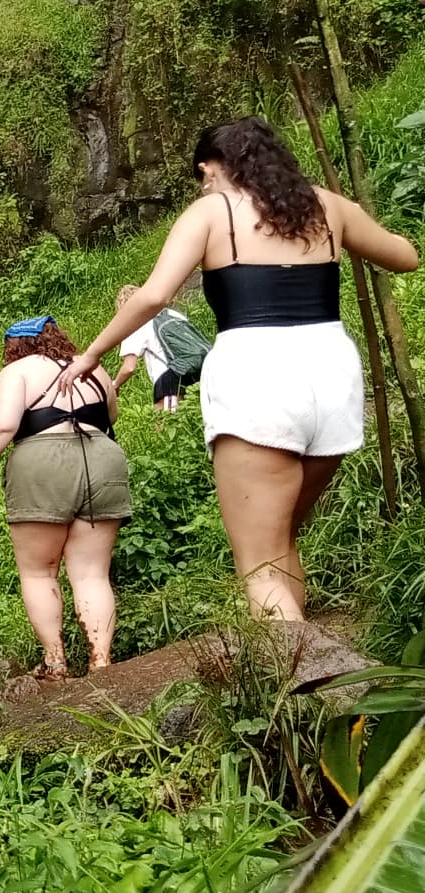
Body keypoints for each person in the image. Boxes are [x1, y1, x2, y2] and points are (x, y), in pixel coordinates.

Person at [61, 116, 419, 621]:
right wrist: (354, 214)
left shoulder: (211, 213)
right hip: (333, 375)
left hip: (257, 376)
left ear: (211, 166)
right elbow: (406, 257)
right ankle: (307, 676)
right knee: (281, 537)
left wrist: (92, 352)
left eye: (202, 174)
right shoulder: (326, 206)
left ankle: (304, 691)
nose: (203, 183)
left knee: (261, 566)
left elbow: (155, 295)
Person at [0, 315, 129, 678]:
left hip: (41, 463)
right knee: (92, 574)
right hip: (101, 459)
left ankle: (55, 663)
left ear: (14, 347)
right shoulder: (95, 370)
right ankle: (101, 664)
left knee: (39, 573)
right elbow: (111, 415)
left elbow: (6, 424)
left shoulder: (18, 372)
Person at [110, 286, 183, 412]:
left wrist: (115, 384)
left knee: (166, 424)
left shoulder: (135, 324)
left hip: (169, 379)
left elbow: (129, 368)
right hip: (196, 372)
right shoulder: (172, 314)